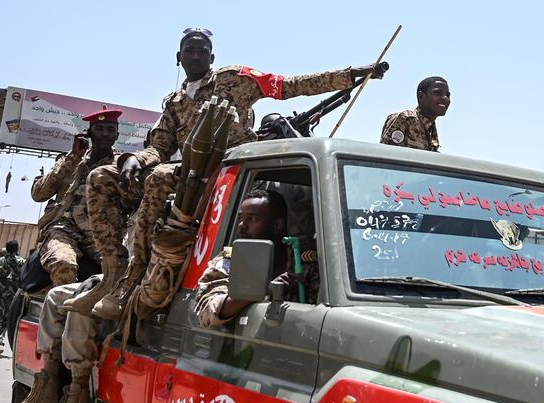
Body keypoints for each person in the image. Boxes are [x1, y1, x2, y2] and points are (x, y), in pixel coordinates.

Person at [68, 27, 383, 320]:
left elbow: (291, 86)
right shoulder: (174, 103)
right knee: (101, 178)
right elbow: (159, 148)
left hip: (231, 169)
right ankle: (113, 273)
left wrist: (350, 75)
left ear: (211, 57)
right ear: (179, 58)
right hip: (188, 171)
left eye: (201, 51)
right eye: (189, 51)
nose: (195, 56)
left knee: (161, 176)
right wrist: (135, 159)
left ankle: (135, 278)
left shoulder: (235, 79)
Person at [0, 276, 100, 403]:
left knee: (81, 302)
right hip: (119, 275)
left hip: (142, 278)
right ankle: (45, 389)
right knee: (54, 296)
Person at [195, 190, 317, 328]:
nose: (242, 226)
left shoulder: (303, 262)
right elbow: (205, 311)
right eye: (241, 218)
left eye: (253, 219)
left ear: (277, 225)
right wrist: (262, 290)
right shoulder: (230, 260)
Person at [32, 106, 121, 286]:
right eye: (99, 129)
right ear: (88, 133)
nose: (104, 134)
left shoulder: (121, 166)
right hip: (62, 227)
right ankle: (62, 311)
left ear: (117, 136)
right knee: (64, 264)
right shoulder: (70, 160)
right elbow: (38, 194)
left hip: (100, 232)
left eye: (110, 130)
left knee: (121, 271)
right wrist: (72, 158)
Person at [381, 76, 450, 152]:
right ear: (421, 97)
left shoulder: (431, 129)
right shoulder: (405, 119)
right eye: (437, 93)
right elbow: (386, 155)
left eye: (448, 95)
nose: (445, 98)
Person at [0, 241, 24, 356]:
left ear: (6, 249)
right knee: (7, 320)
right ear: (17, 249)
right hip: (15, 297)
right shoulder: (23, 263)